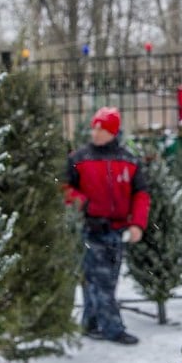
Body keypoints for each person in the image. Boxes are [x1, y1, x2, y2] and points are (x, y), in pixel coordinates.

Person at [62, 107, 150, 345]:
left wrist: (137, 225)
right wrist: (84, 204)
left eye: (102, 128)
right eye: (95, 127)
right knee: (101, 279)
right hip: (90, 228)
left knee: (104, 278)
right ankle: (112, 327)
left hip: (118, 229)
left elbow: (141, 194)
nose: (96, 132)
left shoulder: (129, 161)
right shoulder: (79, 159)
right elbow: (64, 188)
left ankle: (90, 323)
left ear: (113, 131)